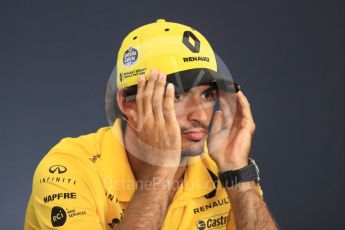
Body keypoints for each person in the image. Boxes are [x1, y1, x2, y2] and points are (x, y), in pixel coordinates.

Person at [24, 19, 278, 230]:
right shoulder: (68, 168)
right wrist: (162, 168)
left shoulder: (218, 167)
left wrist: (237, 174)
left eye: (207, 95)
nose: (201, 116)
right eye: (176, 95)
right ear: (128, 104)